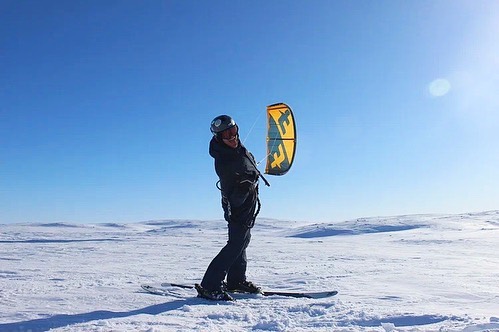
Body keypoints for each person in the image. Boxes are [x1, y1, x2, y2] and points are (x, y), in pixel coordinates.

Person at [195, 115, 264, 301]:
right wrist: (245, 184)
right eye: (226, 135)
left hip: (247, 205)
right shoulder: (224, 159)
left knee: (242, 242)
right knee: (235, 245)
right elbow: (234, 191)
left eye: (233, 131)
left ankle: (236, 280)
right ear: (219, 138)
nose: (231, 137)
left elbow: (247, 170)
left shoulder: (240, 150)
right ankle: (209, 285)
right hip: (237, 207)